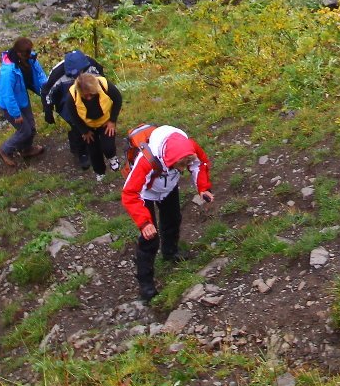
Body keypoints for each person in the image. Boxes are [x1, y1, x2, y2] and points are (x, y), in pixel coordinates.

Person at [121, 123, 213, 300]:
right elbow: (130, 193)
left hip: (168, 187)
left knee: (172, 219)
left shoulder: (189, 146)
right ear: (167, 159)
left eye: (184, 164)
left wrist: (203, 188)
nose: (181, 169)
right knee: (149, 238)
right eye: (179, 165)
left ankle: (170, 251)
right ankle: (145, 283)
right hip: (145, 193)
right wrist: (145, 222)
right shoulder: (147, 160)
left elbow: (199, 164)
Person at [55, 71, 123, 181]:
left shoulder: (104, 84)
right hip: (87, 125)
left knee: (108, 147)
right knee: (93, 151)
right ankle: (100, 172)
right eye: (85, 96)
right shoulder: (72, 96)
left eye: (91, 94)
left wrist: (112, 120)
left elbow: (118, 99)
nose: (88, 98)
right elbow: (73, 116)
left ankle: (112, 158)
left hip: (105, 122)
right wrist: (84, 131)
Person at [0, 37, 47, 167]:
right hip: (9, 105)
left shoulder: (29, 58)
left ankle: (26, 149)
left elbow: (39, 75)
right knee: (25, 131)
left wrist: (46, 90)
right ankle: (5, 150)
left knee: (31, 127)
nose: (30, 55)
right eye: (27, 54)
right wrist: (16, 114)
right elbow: (7, 95)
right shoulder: (8, 71)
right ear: (19, 53)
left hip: (21, 98)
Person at [41, 49, 106, 123]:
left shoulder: (91, 64)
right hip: (66, 98)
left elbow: (103, 81)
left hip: (88, 94)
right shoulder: (57, 73)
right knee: (73, 118)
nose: (78, 77)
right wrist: (48, 110)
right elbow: (46, 92)